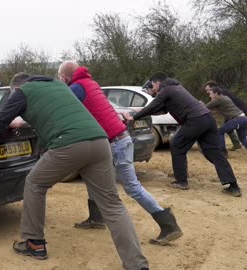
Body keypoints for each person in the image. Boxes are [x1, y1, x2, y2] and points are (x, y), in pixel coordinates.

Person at [0, 73, 149, 269]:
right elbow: (56, 115)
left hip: (69, 144)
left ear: (15, 88)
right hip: (100, 141)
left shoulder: (22, 92)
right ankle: (136, 264)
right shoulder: (59, 86)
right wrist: (21, 122)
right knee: (112, 205)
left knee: (35, 183)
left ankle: (34, 243)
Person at [57, 61, 183, 246]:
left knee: (132, 187)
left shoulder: (76, 87)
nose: (61, 81)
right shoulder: (90, 83)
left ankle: (168, 224)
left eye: (60, 78)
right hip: (115, 140)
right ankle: (96, 218)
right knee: (91, 174)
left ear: (65, 77)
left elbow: (61, 108)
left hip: (116, 142)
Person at [124, 72, 242, 197]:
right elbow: (161, 110)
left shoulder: (166, 90)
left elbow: (153, 106)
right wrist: (139, 111)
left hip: (195, 120)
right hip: (207, 119)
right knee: (213, 152)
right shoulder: (175, 88)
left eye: (153, 85)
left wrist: (133, 117)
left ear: (157, 83)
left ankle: (181, 181)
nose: (152, 88)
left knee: (177, 144)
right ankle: (232, 186)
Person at [204, 81, 247, 151]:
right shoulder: (225, 96)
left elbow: (206, 107)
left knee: (219, 132)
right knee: (242, 138)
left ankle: (223, 152)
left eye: (210, 92)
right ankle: (236, 144)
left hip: (237, 118)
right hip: (243, 118)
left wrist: (199, 104)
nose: (209, 94)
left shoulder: (218, 99)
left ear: (216, 93)